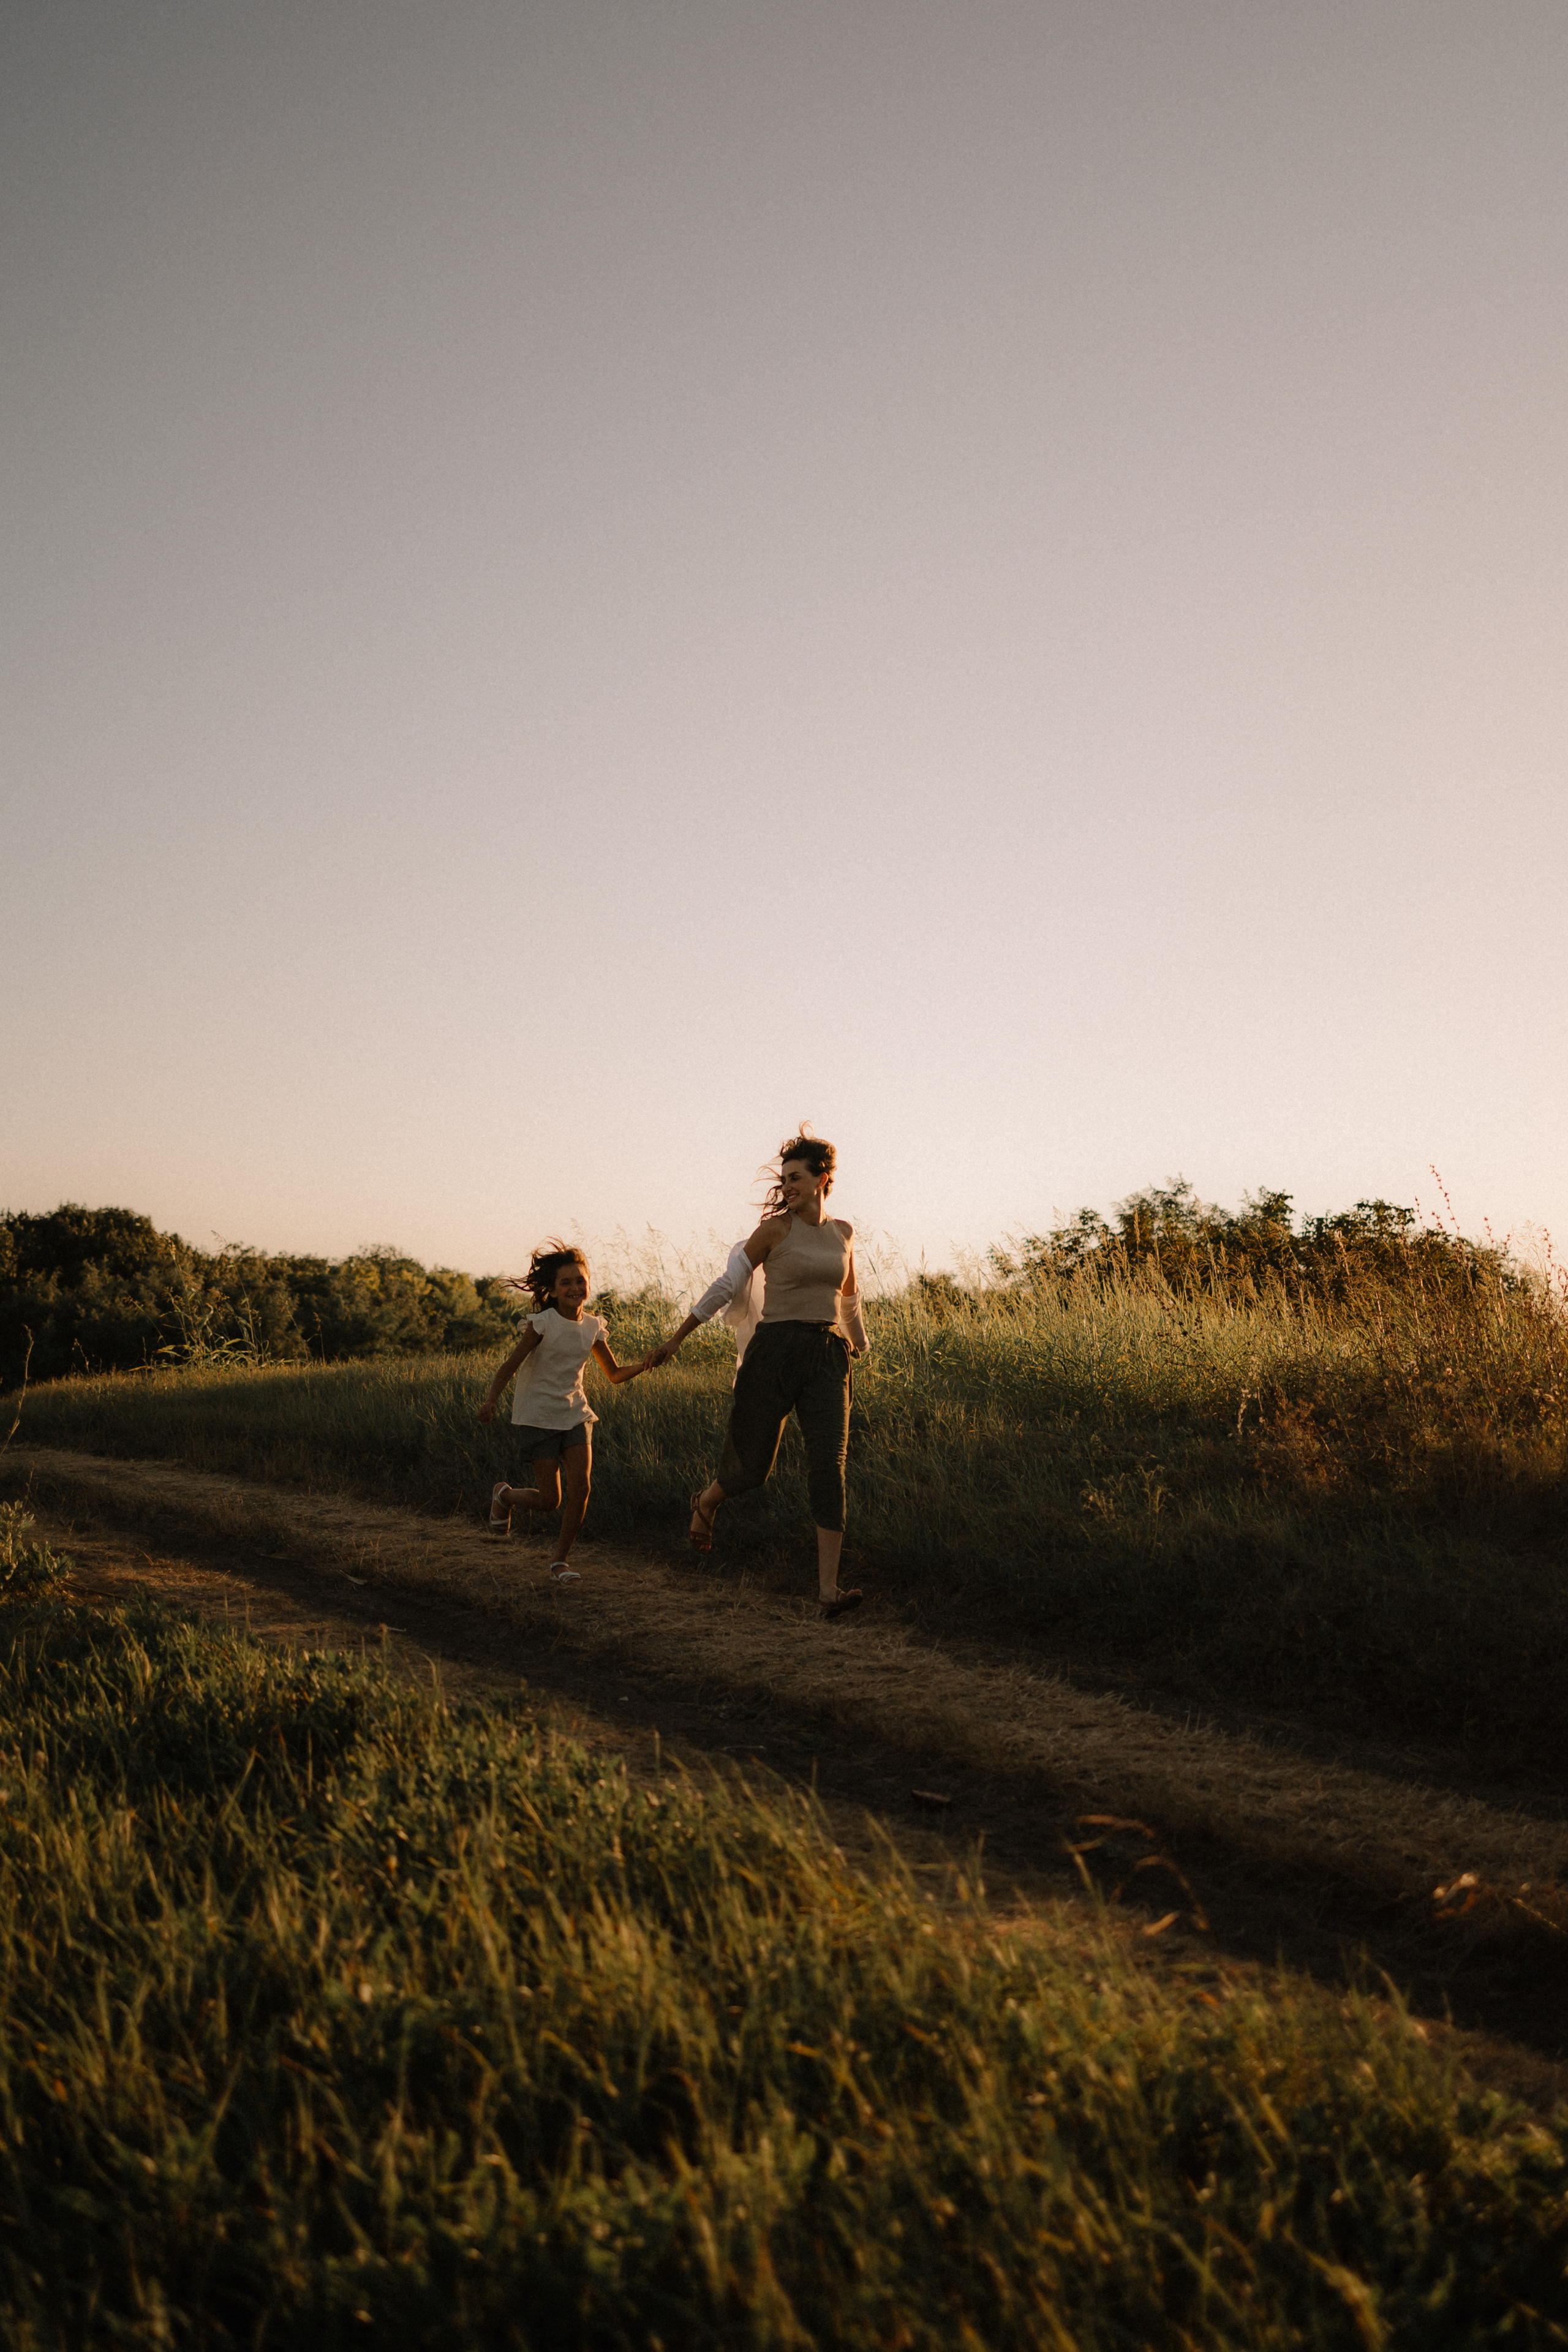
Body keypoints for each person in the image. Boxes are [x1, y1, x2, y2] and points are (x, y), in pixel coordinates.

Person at [645, 1129, 870, 1618]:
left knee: (829, 1467)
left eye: (796, 1177)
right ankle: (706, 1501)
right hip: (775, 1352)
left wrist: (858, 1344)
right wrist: (677, 1337)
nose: (786, 1185)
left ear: (822, 1180)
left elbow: (848, 1299)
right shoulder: (775, 1231)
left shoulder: (843, 1234)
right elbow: (728, 1285)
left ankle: (828, 1591)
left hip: (827, 1355)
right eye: (784, 1178)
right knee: (752, 1469)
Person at [477, 1242, 644, 1583]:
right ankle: (504, 1495)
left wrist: (646, 1363)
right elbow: (511, 1365)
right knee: (550, 1500)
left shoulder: (594, 1326)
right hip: (538, 1414)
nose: (575, 1288)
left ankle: (559, 1562)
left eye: (581, 1281)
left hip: (576, 1414)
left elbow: (614, 1375)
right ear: (553, 1291)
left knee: (581, 1488)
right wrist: (492, 1399)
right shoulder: (543, 1323)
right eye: (566, 1283)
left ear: (589, 1285)